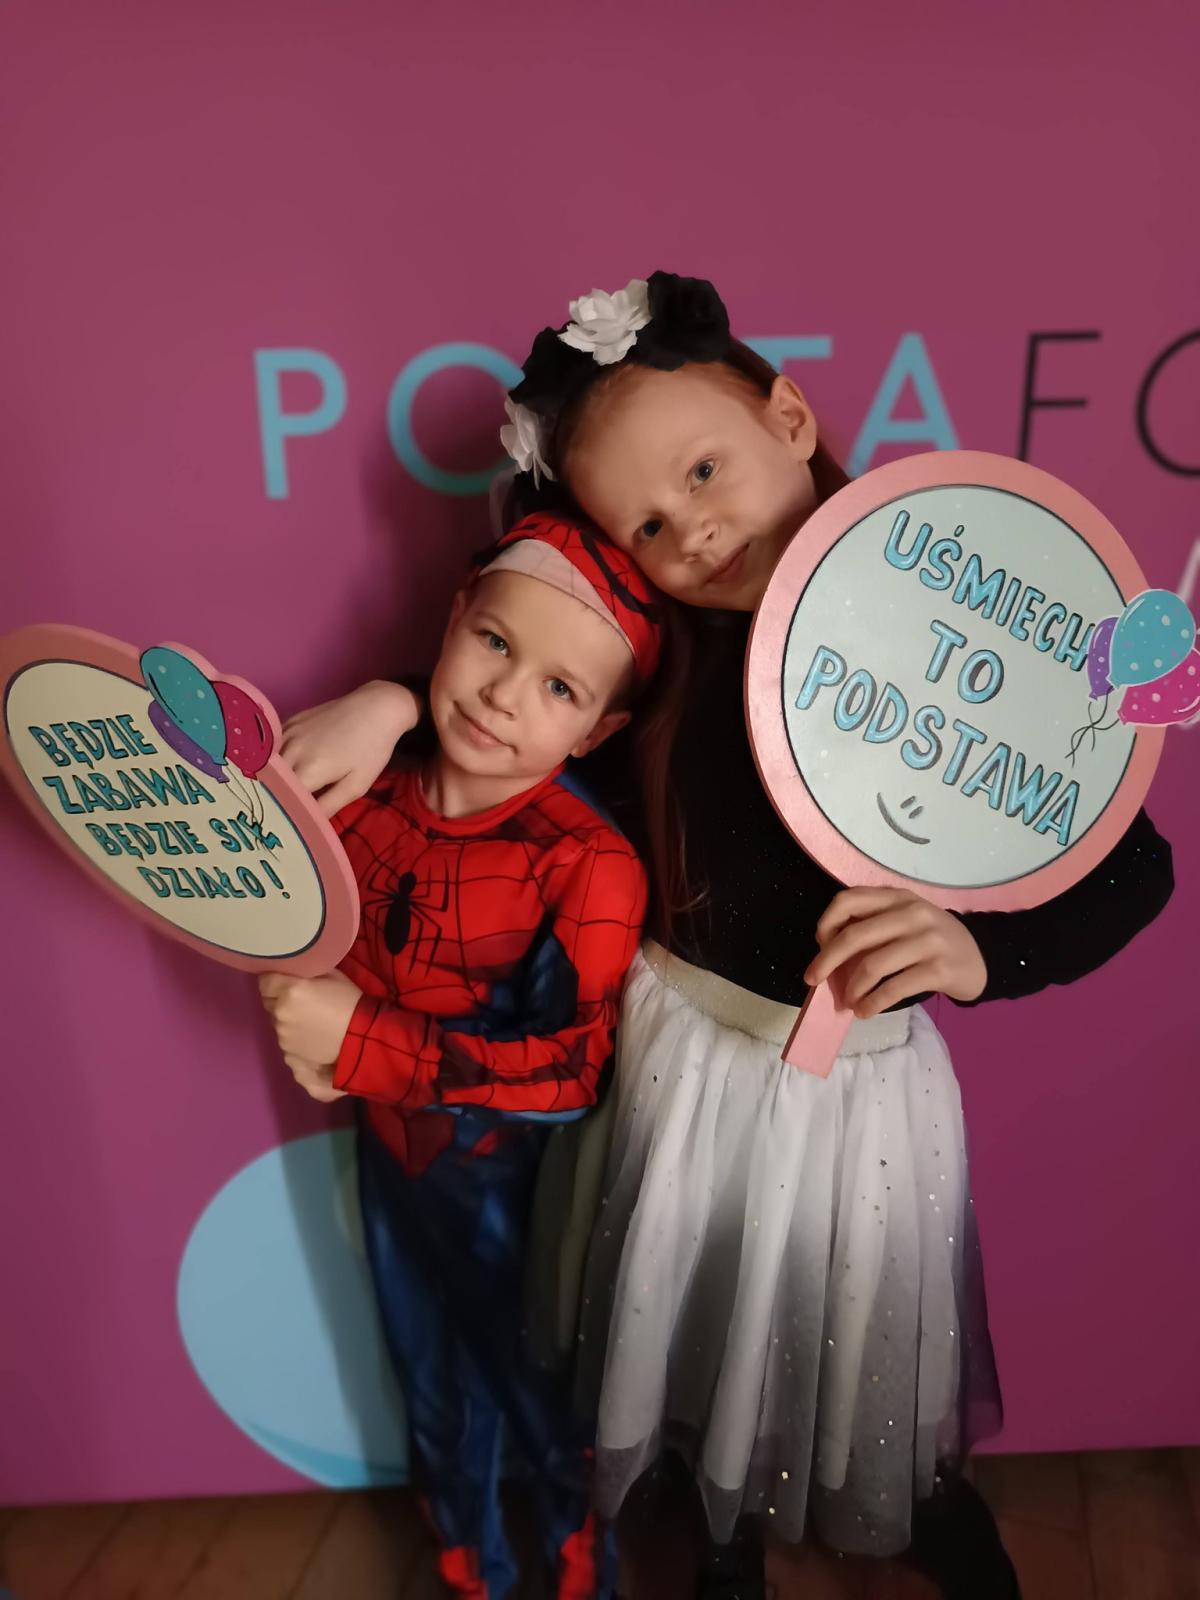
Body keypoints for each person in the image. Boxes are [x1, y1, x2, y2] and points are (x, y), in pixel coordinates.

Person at [279, 274, 1175, 1600]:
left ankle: (921, 1504)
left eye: (703, 470)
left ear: (790, 419)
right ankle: (720, 1540)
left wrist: (984, 954)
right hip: (685, 1060)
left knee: (855, 1313)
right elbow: (531, 694)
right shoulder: (666, 673)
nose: (690, 528)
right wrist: (397, 702)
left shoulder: (947, 631)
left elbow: (1133, 867)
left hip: (862, 1088)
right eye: (645, 521)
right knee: (697, 1311)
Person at [260, 511, 660, 1600]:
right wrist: (311, 1022)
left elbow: (574, 1070)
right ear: (452, 622)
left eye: (559, 688)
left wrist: (359, 1040)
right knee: (432, 1385)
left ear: (597, 730)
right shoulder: (361, 795)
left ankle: (584, 1574)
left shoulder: (586, 863)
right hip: (395, 1167)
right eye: (494, 642)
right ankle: (468, 1572)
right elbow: (281, 921)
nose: (503, 695)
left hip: (522, 1199)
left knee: (550, 1397)